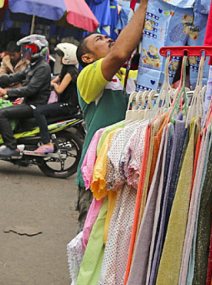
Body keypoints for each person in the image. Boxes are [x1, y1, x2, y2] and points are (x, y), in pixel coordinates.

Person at [73, 0, 147, 228]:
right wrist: (144, 5)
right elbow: (120, 53)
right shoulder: (87, 76)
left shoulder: (128, 76)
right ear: (87, 58)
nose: (108, 39)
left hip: (127, 173)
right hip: (97, 174)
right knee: (89, 243)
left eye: (107, 37)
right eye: (99, 39)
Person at [0, 34, 51, 159]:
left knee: (1, 113)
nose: (25, 53)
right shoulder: (33, 65)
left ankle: (12, 147)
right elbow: (14, 77)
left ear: (39, 50)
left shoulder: (42, 67)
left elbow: (30, 89)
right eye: (24, 50)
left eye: (28, 50)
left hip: (34, 105)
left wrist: (7, 92)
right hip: (27, 102)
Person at [26, 43, 79, 155]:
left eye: (61, 55)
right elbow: (52, 82)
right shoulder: (65, 70)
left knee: (39, 111)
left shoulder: (71, 72)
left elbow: (59, 89)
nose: (59, 58)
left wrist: (54, 86)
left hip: (68, 106)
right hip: (63, 103)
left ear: (68, 56)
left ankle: (47, 142)